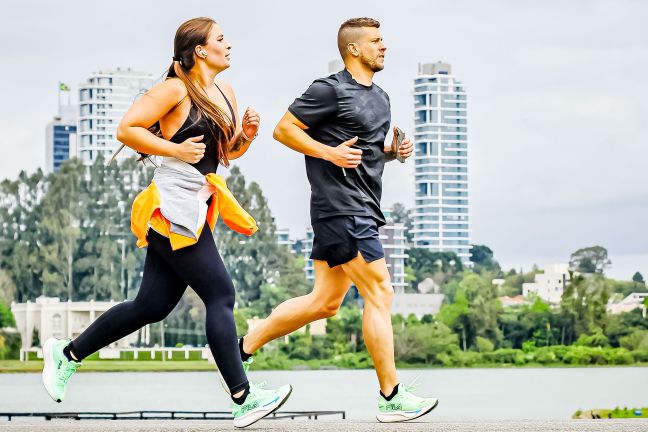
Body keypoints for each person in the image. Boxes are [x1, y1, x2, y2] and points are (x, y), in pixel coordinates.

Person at [41, 17, 291, 428]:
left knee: (152, 306)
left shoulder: (224, 90)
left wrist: (244, 136)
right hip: (170, 208)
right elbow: (127, 129)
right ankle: (243, 397)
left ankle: (65, 355)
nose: (229, 45)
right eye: (221, 40)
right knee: (220, 293)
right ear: (200, 51)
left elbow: (223, 154)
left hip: (195, 205)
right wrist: (172, 149)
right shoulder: (175, 90)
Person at [235, 17, 438, 423]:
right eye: (376, 42)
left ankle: (237, 348)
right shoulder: (329, 89)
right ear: (354, 49)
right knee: (380, 292)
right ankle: (391, 397)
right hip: (341, 207)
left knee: (324, 303)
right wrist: (328, 154)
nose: (384, 47)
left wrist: (392, 152)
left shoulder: (380, 97)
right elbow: (283, 130)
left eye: (384, 41)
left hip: (361, 206)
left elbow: (366, 149)